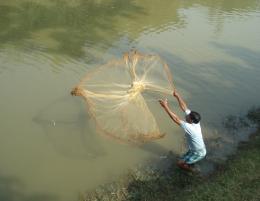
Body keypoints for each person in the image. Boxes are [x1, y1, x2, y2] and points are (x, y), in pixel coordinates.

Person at [159, 89, 206, 171]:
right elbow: (184, 107)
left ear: (191, 120)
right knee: (182, 159)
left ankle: (193, 172)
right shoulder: (195, 122)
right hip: (197, 149)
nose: (186, 116)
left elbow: (176, 119)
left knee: (179, 163)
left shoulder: (190, 128)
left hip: (198, 152)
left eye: (188, 116)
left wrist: (165, 106)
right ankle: (190, 163)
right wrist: (177, 96)